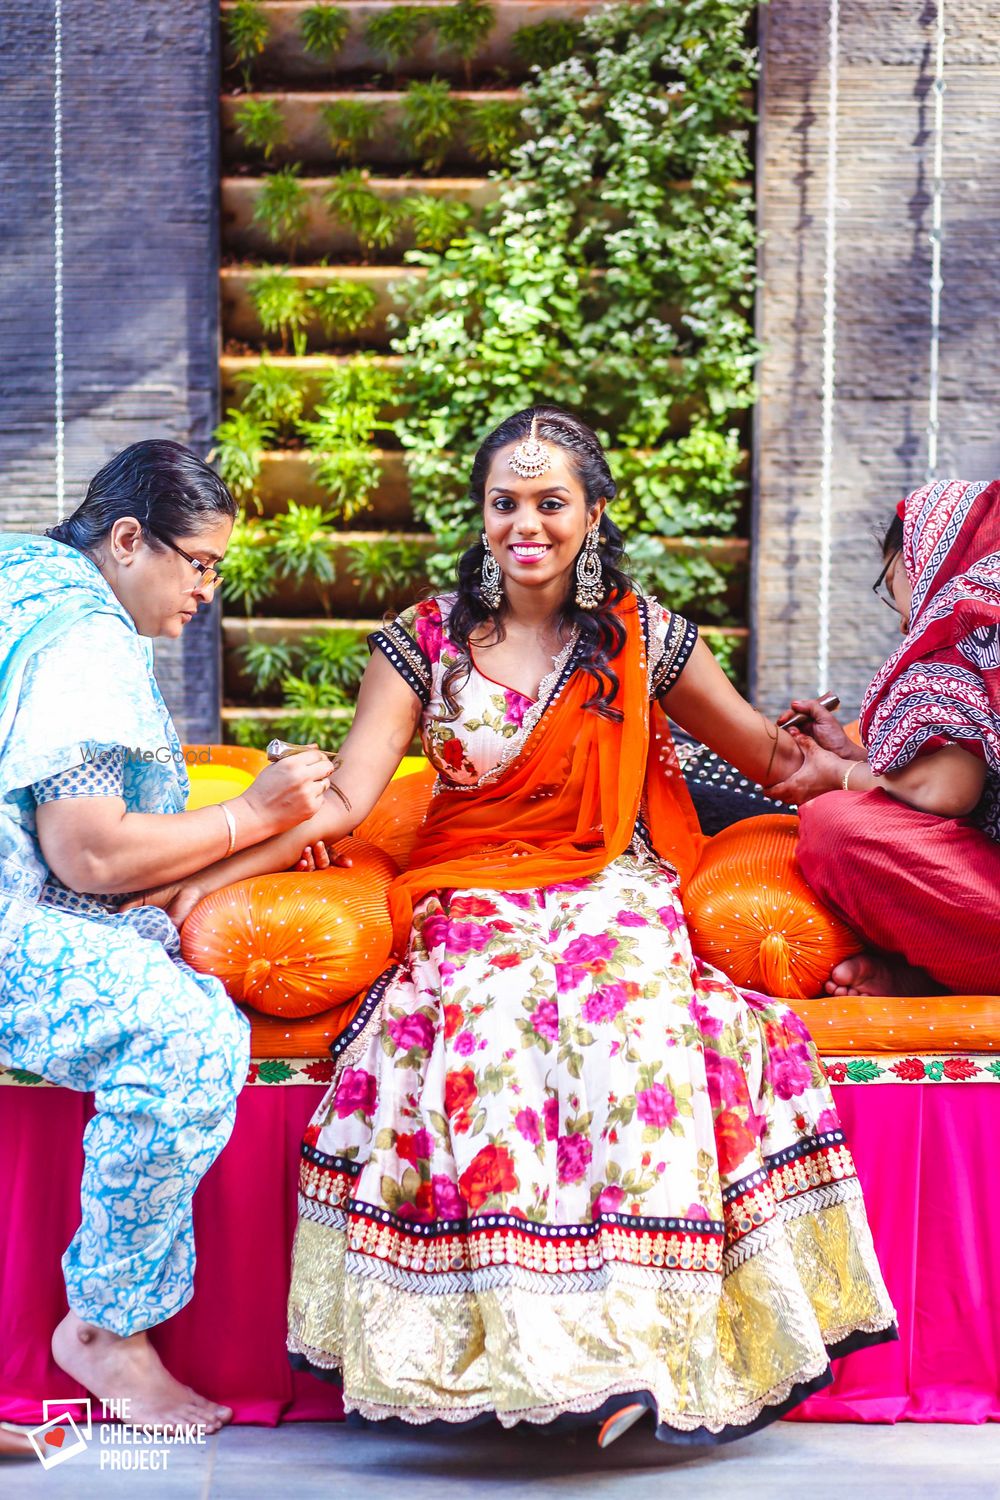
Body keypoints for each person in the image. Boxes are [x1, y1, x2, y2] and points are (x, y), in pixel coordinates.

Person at [161, 407, 895, 1446]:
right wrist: (209, 872)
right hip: (469, 891)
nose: (527, 525)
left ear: (593, 514)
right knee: (492, 1023)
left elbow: (775, 766)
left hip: (615, 887)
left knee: (636, 1023)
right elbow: (346, 798)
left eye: (551, 504)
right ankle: (526, 1352)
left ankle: (642, 1348)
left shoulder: (643, 639)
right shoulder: (420, 643)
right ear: (482, 514)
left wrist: (898, 786)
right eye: (506, 503)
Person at [0, 441, 334, 1433]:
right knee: (185, 1031)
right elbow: (91, 857)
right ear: (129, 539)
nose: (207, 592)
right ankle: (103, 1327)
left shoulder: (23, 577)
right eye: (201, 564)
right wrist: (260, 814)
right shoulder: (84, 638)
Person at [770, 478, 1000, 997]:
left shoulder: (971, 619)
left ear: (922, 563)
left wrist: (839, 775)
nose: (900, 616)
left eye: (890, 580)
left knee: (838, 824)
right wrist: (853, 756)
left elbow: (949, 792)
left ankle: (939, 979)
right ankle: (932, 976)